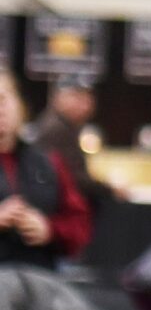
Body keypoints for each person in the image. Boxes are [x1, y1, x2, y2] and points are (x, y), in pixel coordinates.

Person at [0, 71, 89, 268]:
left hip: (40, 284)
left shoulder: (48, 161)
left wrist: (50, 229)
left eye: (5, 99)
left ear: (20, 105)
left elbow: (79, 223)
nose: (2, 109)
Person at [28, 79, 107, 219]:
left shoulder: (66, 126)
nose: (85, 105)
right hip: (56, 213)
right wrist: (109, 190)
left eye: (88, 98)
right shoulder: (56, 129)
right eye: (77, 97)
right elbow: (73, 178)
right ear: (58, 98)